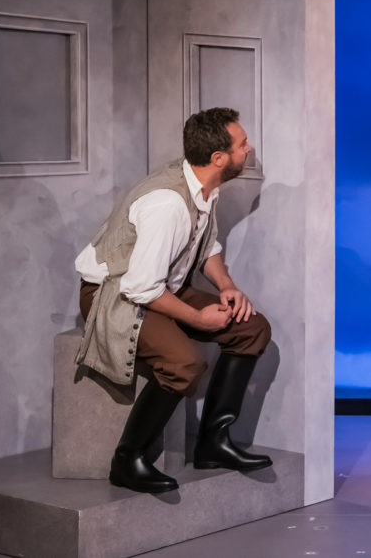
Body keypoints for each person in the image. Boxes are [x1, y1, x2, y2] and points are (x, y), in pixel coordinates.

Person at [73, 107, 274, 493]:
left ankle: (214, 442)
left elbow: (206, 243)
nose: (249, 150)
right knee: (184, 363)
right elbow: (140, 288)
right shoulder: (168, 204)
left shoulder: (201, 183)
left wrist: (226, 285)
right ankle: (129, 460)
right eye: (242, 144)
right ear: (219, 159)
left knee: (252, 329)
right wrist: (199, 320)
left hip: (164, 284)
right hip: (113, 294)